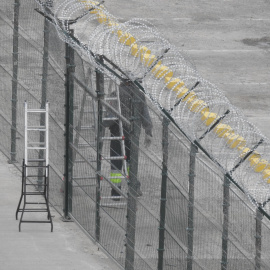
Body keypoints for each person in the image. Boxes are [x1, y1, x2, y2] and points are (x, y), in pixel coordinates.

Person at [104, 79, 153, 200]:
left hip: (117, 134)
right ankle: (134, 188)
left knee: (116, 165)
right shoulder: (139, 95)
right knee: (132, 163)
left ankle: (115, 194)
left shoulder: (116, 93)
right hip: (133, 135)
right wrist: (148, 132)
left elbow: (109, 116)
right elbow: (145, 115)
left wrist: (104, 124)